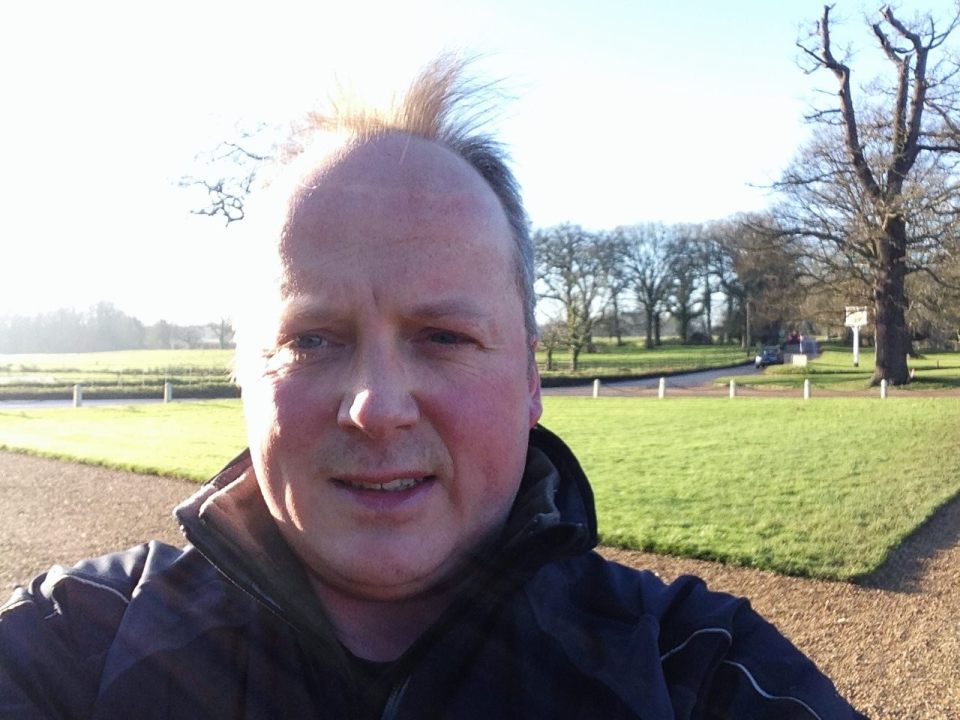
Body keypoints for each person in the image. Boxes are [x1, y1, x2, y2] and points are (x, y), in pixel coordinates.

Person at [0, 58, 864, 719]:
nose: (377, 408)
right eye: (310, 340)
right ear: (242, 374)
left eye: (444, 337)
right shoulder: (72, 642)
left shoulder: (695, 670)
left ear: (531, 377)